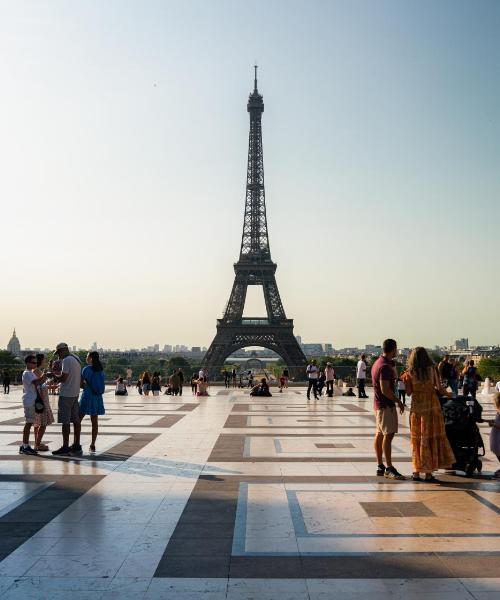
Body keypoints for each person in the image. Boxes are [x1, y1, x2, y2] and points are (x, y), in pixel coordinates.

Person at [402, 347, 455, 482]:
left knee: (417, 439)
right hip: (432, 407)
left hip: (417, 408)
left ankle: (416, 471)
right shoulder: (432, 370)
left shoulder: (409, 373)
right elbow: (440, 389)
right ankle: (429, 473)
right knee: (430, 438)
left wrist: (406, 381)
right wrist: (451, 395)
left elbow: (408, 392)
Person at [371, 339, 405, 480]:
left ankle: (380, 466)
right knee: (388, 435)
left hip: (379, 405)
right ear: (394, 349)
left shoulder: (379, 362)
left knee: (380, 434)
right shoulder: (384, 366)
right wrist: (398, 401)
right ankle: (389, 468)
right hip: (385, 405)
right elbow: (385, 389)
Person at [51, 343, 83, 457]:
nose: (58, 356)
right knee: (76, 421)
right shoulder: (76, 358)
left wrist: (53, 375)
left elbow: (63, 379)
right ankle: (77, 444)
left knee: (65, 422)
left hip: (66, 394)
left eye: (59, 353)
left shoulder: (66, 360)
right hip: (75, 393)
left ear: (63, 350)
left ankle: (65, 446)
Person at [19, 355, 48, 455]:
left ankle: (24, 445)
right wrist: (45, 375)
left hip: (32, 400)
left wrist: (44, 377)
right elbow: (37, 382)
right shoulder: (27, 373)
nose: (35, 364)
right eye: (33, 363)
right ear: (27, 363)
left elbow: (40, 382)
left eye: (36, 363)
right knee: (28, 423)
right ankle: (25, 446)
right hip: (29, 400)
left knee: (30, 423)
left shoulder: (30, 373)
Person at [79, 351, 105, 452]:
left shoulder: (86, 369)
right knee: (94, 422)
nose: (86, 358)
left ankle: (76, 442)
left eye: (87, 356)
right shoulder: (100, 370)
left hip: (87, 396)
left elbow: (81, 384)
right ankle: (93, 444)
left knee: (78, 419)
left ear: (90, 358)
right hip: (97, 397)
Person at [33, 353, 55, 451]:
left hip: (39, 399)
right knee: (42, 423)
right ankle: (37, 444)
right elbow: (41, 382)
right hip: (41, 400)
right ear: (40, 360)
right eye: (44, 359)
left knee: (37, 423)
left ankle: (37, 442)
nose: (45, 361)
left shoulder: (37, 371)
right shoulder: (37, 371)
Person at [487, 392, 500, 479]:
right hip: (496, 435)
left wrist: (494, 424)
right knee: (497, 451)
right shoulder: (499, 410)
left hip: (498, 435)